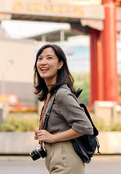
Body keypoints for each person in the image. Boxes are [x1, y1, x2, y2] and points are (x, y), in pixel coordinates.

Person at [33, 44, 93, 174]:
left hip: (65, 158)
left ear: (60, 64)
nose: (43, 62)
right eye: (40, 58)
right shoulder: (50, 94)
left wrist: (52, 137)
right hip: (55, 158)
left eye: (49, 58)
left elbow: (85, 126)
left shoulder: (62, 94)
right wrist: (44, 132)